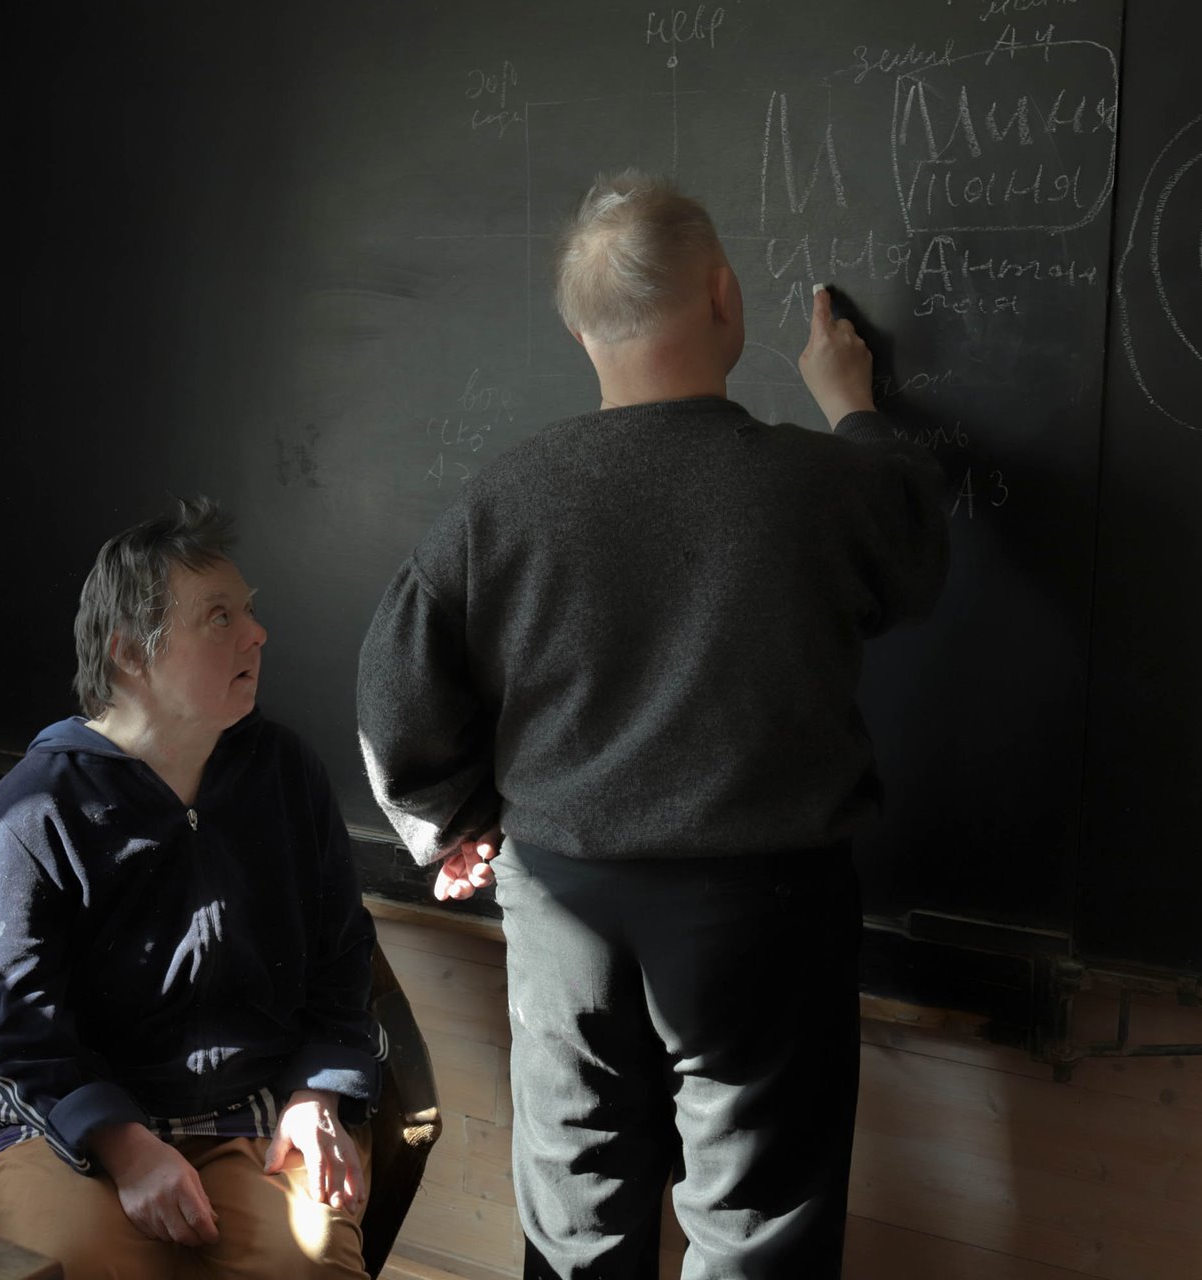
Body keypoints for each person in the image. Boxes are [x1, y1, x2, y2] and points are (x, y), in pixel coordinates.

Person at [355, 170, 949, 1279]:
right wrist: (855, 410)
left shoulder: (506, 496)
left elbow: (396, 691)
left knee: (577, 1222)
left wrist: (449, 818)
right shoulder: (816, 483)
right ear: (726, 297)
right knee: (757, 1225)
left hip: (564, 904)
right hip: (763, 904)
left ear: (578, 329)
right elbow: (915, 552)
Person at [0, 498, 385, 1280]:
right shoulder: (36, 805)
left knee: (310, 1268)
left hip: (258, 1106)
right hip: (77, 1126)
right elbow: (22, 1025)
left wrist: (316, 1097)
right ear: (131, 654)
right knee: (74, 1265)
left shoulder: (286, 771)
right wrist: (126, 1149)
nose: (256, 635)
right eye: (218, 617)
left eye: (249, 612)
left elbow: (341, 957)